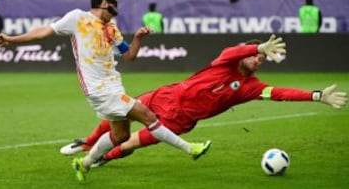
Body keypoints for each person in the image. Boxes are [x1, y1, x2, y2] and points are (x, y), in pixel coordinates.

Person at [0, 0, 212, 183]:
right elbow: (44, 32)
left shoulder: (111, 27)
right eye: (114, 2)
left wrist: (137, 38)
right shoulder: (78, 18)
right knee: (147, 114)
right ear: (105, 2)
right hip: (98, 89)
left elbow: (129, 57)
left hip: (114, 86)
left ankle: (84, 164)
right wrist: (13, 39)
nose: (117, 6)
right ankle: (189, 149)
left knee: (121, 135)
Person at [61, 36, 346, 168]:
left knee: (130, 143)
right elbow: (234, 49)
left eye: (262, 59)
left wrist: (317, 96)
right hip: (167, 95)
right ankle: (86, 142)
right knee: (118, 113)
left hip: (179, 119)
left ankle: (100, 160)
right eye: (256, 54)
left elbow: (281, 93)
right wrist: (258, 45)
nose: (258, 59)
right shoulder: (226, 61)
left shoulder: (250, 87)